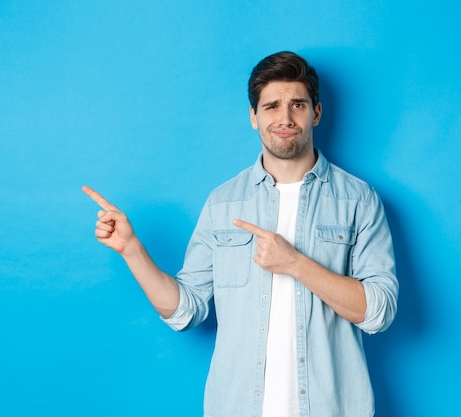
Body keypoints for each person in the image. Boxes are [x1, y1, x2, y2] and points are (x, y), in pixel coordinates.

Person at [83, 51, 398, 417]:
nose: (285, 118)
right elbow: (186, 310)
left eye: (297, 104)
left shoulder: (358, 199)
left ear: (316, 113)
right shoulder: (223, 203)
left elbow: (379, 310)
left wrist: (296, 263)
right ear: (253, 117)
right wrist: (131, 249)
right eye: (271, 106)